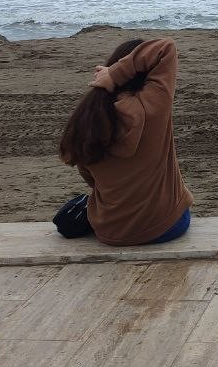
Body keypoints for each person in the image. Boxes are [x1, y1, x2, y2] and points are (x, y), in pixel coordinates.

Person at [55, 37, 194, 245]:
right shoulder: (152, 107)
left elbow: (90, 179)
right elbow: (165, 48)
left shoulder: (89, 118)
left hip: (110, 230)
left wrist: (113, 73)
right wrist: (115, 74)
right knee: (178, 199)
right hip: (164, 227)